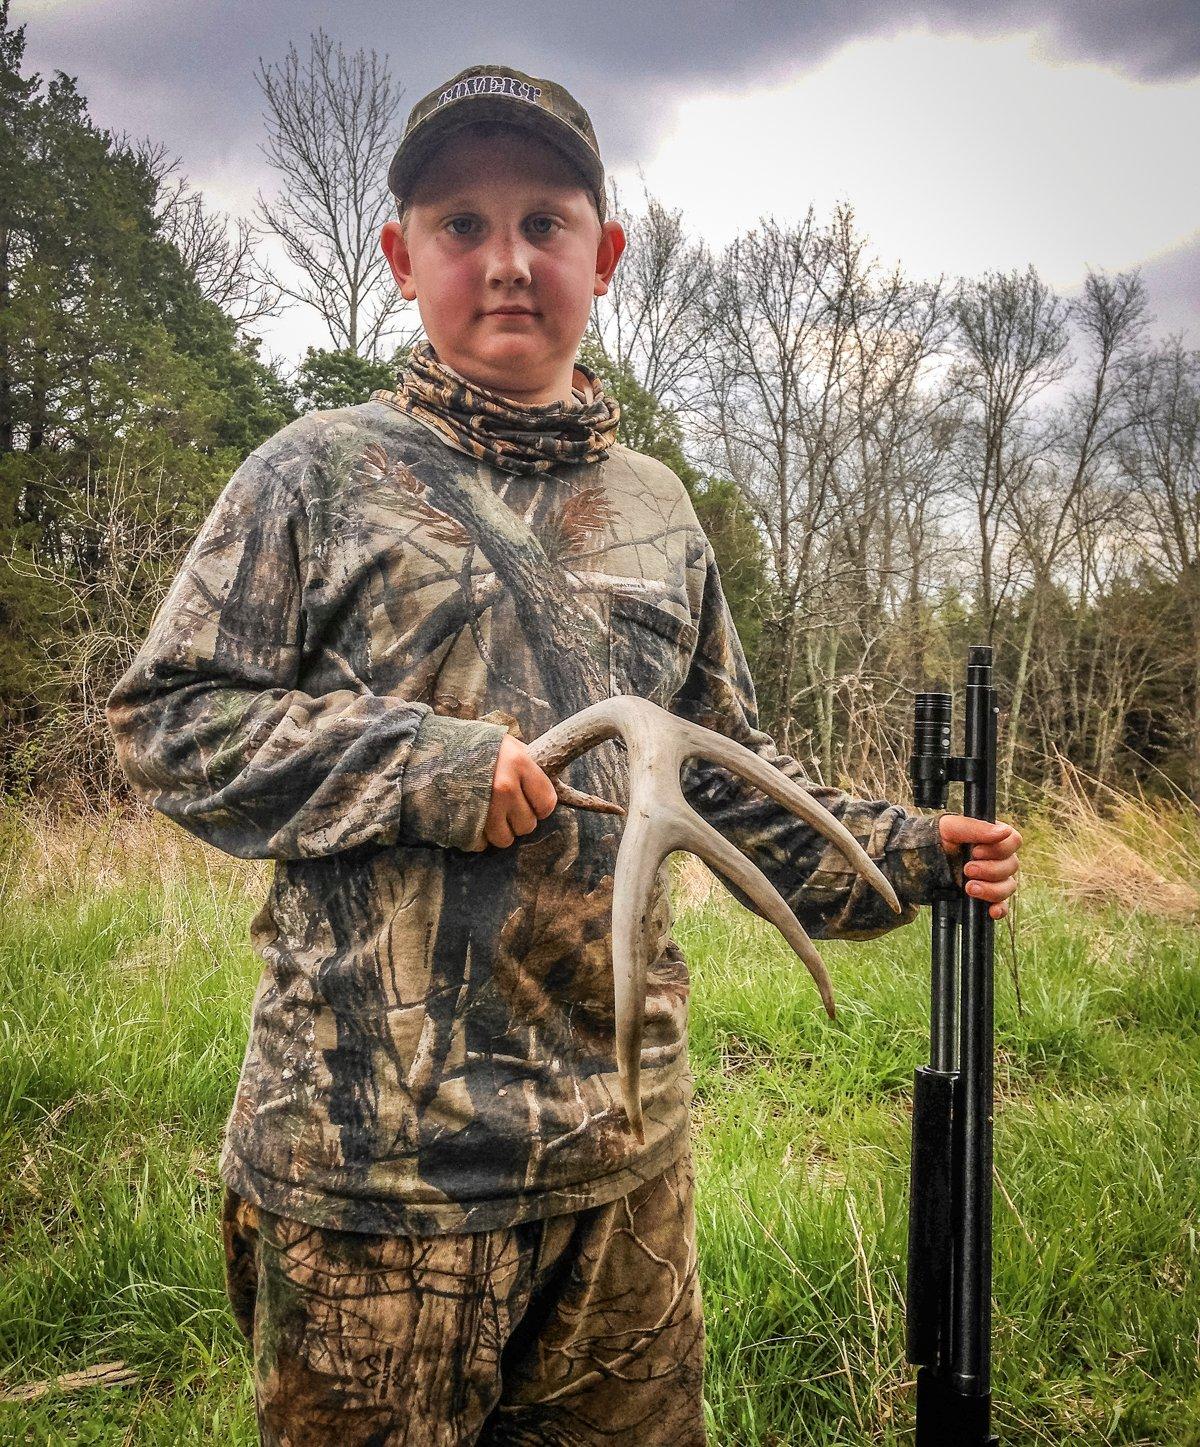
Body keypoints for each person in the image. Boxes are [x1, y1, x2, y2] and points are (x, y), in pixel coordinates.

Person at [106, 62, 1020, 1446]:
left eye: (547, 221)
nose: (509, 260)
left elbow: (724, 774)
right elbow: (169, 719)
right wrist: (429, 768)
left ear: (608, 253)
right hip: (374, 1179)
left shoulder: (658, 510)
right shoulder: (312, 473)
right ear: (402, 257)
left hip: (620, 1165)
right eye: (463, 225)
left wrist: (908, 853)